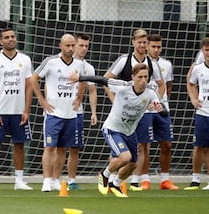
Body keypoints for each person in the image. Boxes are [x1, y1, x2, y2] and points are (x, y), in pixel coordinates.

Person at [69, 63, 165, 198]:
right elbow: (102, 79)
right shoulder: (122, 86)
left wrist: (161, 109)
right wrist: (80, 77)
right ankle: (104, 175)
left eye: (146, 77)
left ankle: (115, 184)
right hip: (112, 129)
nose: (144, 80)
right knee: (125, 157)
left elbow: (163, 110)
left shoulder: (150, 94)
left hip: (129, 132)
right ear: (133, 77)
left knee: (133, 164)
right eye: (140, 77)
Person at [103, 29, 176, 191]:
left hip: (150, 108)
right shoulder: (124, 60)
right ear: (133, 42)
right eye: (140, 42)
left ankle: (155, 179)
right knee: (132, 148)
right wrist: (114, 100)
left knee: (164, 144)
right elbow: (107, 78)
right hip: (132, 111)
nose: (142, 45)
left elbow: (162, 84)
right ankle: (123, 178)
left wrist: (157, 100)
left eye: (145, 43)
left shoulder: (153, 63)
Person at [30, 34, 86, 192]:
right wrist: (42, 100)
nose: (70, 49)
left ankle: (56, 179)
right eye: (67, 46)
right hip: (53, 113)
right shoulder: (51, 62)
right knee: (49, 147)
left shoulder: (79, 64)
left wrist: (79, 98)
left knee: (63, 148)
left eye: (72, 45)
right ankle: (46, 180)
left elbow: (82, 81)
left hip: (71, 113)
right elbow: (34, 79)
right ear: (60, 46)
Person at [0, 28, 33, 190]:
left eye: (12, 37)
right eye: (7, 37)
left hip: (19, 112)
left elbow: (28, 87)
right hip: (0, 111)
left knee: (19, 145)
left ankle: (19, 181)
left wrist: (26, 111)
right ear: (1, 41)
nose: (10, 39)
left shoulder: (25, 60)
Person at [130, 34, 178, 190]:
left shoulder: (166, 64)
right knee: (143, 145)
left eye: (159, 47)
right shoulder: (138, 63)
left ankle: (165, 179)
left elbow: (166, 85)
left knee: (167, 144)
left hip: (161, 108)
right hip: (145, 110)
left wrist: (158, 100)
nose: (156, 50)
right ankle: (145, 179)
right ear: (147, 46)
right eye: (153, 46)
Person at [67, 33, 97, 190]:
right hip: (57, 112)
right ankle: (51, 179)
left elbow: (92, 90)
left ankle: (71, 180)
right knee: (53, 147)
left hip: (76, 112)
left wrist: (93, 112)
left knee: (74, 147)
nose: (84, 49)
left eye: (86, 46)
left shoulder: (88, 68)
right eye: (81, 45)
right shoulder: (61, 62)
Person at [185, 37, 209, 190]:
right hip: (202, 112)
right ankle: (195, 179)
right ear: (203, 51)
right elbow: (190, 82)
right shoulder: (198, 68)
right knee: (199, 146)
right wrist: (193, 98)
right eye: (207, 50)